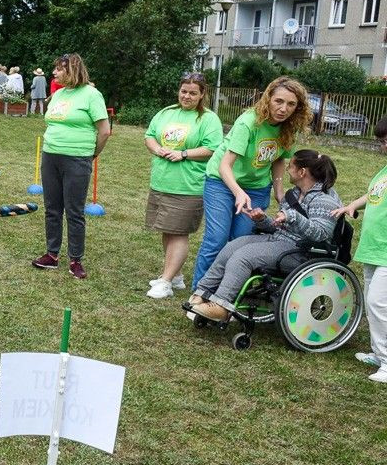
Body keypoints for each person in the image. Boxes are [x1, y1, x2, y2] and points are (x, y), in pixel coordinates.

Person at [189, 150, 342, 323]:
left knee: (244, 257)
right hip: (279, 240)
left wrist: (293, 216)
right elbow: (280, 227)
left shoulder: (325, 199)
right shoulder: (294, 194)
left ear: (302, 172)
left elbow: (321, 234)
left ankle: (221, 306)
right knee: (232, 246)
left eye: (290, 166)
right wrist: (262, 220)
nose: (287, 170)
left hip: (302, 252)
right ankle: (202, 292)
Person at [191, 76, 311, 288]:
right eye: (279, 101)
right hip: (222, 182)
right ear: (268, 99)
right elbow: (224, 165)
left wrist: (279, 190)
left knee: (241, 242)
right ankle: (200, 291)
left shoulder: (289, 128)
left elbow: (278, 159)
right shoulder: (249, 122)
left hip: (256, 188)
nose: (284, 109)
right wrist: (237, 191)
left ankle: (228, 290)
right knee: (217, 239)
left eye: (291, 104)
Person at [143, 74, 224, 299]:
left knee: (179, 233)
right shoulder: (166, 112)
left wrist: (184, 153)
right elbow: (149, 136)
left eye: (192, 93)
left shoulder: (208, 119)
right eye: (184, 91)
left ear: (202, 95)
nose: (186, 96)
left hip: (188, 186)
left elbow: (214, 148)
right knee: (167, 229)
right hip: (162, 181)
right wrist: (157, 148)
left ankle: (166, 282)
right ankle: (175, 276)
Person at [31, 53, 110, 279]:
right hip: (50, 156)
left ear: (72, 70)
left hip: (77, 158)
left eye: (59, 69)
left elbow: (104, 131)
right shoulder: (57, 95)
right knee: (52, 208)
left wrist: (90, 155)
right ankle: (51, 255)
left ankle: (75, 259)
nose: (54, 73)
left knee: (74, 211)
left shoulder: (92, 95)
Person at [333, 117, 387, 383]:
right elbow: (374, 195)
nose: (383, 147)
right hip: (374, 248)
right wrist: (352, 205)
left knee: (379, 303)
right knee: (372, 302)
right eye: (381, 142)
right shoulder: (384, 170)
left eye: (386, 141)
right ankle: (379, 354)